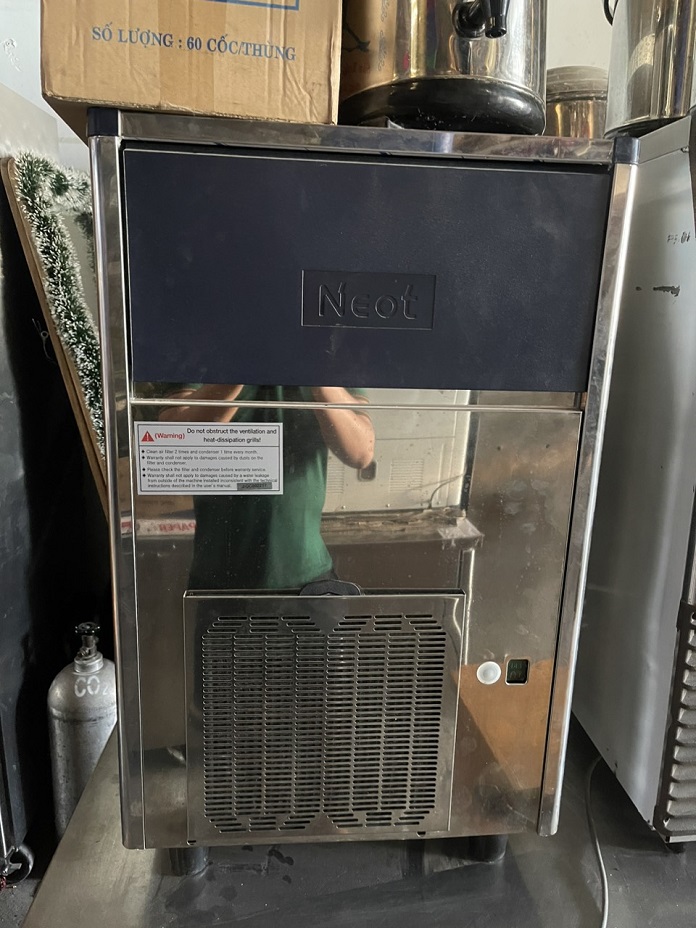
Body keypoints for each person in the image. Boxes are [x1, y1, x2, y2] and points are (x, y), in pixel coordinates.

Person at [160, 384, 374, 589]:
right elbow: (172, 445)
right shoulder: (201, 360)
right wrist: (239, 374)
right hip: (221, 576)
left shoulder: (326, 363)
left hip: (306, 575)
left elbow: (361, 452)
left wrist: (316, 377)